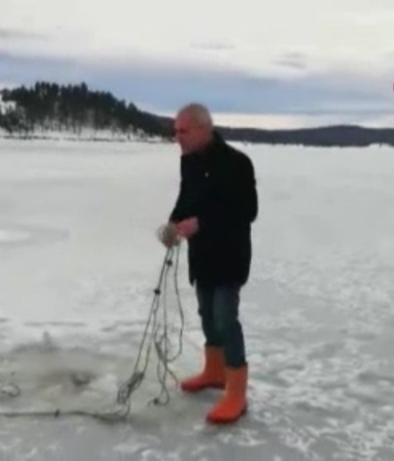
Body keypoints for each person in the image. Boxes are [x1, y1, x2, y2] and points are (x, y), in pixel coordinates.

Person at [159, 102, 258, 424]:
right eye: (175, 131)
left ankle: (236, 393)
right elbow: (186, 197)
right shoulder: (189, 162)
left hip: (229, 256)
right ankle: (215, 372)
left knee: (225, 317)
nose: (177, 137)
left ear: (204, 129)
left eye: (183, 131)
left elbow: (246, 211)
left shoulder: (237, 163)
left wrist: (201, 224)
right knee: (206, 314)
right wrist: (174, 224)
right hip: (202, 256)